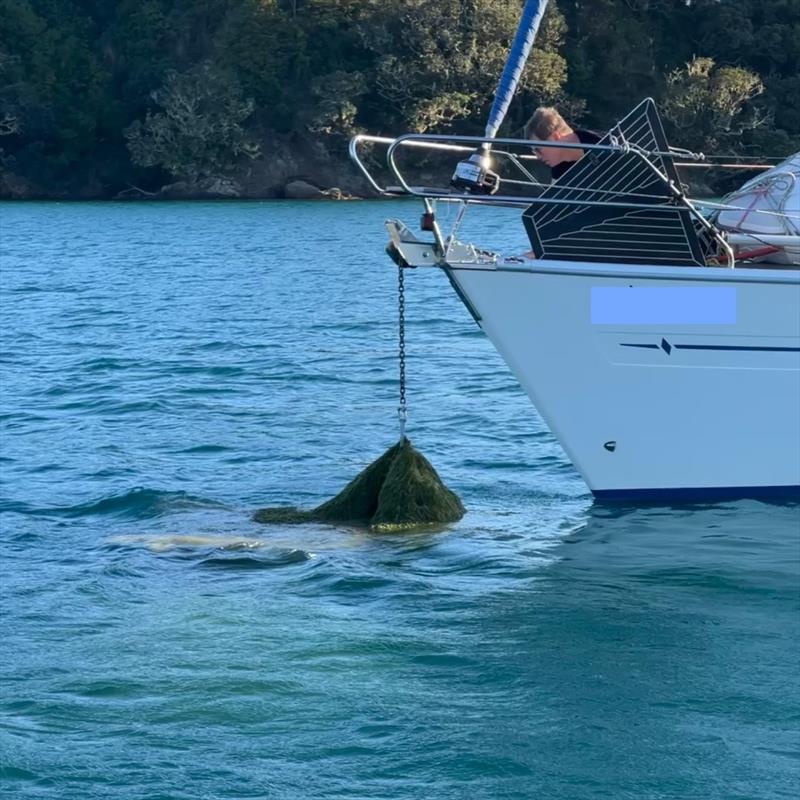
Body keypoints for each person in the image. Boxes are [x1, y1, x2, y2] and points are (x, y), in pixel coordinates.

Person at [524, 107, 601, 181]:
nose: (538, 157)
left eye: (538, 149)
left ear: (555, 137)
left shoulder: (601, 143)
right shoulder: (559, 170)